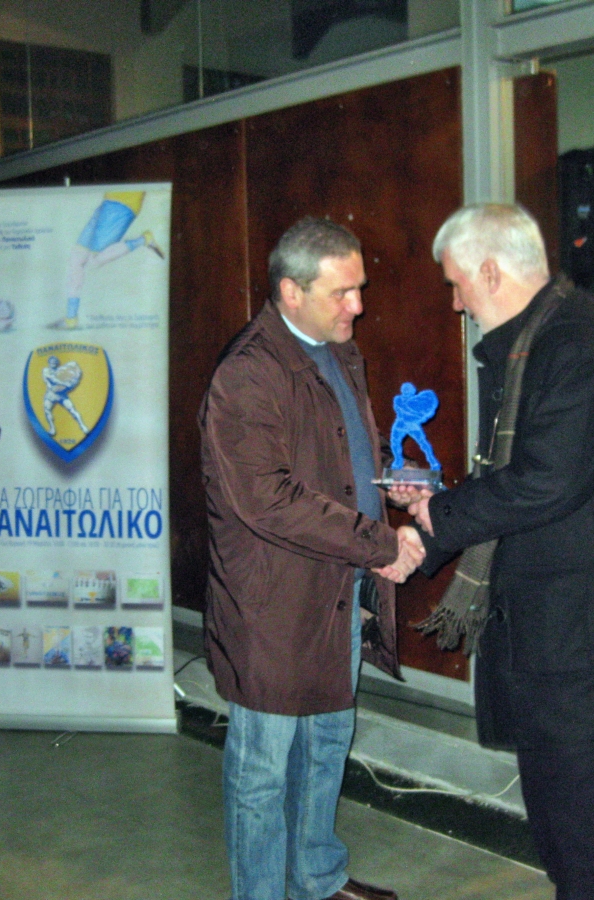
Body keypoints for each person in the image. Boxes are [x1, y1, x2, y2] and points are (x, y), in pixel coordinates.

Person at [405, 204, 594, 900]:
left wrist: (440, 517)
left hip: (582, 645)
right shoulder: (535, 346)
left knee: (587, 843)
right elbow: (523, 477)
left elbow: (544, 480)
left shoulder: (574, 349)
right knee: (559, 831)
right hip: (552, 641)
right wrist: (439, 513)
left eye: (458, 283)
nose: (456, 302)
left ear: (492, 271)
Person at [199, 217, 424, 900]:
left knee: (328, 742)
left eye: (359, 288)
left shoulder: (337, 350)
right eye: (342, 293)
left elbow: (339, 448)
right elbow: (268, 499)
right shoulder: (248, 374)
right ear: (291, 292)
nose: (358, 305)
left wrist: (388, 477)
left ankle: (316, 878)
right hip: (273, 608)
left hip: (335, 591)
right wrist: (382, 542)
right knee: (263, 770)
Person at [53, 190, 165, 329]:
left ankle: (143, 240)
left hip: (124, 205)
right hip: (108, 200)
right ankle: (71, 318)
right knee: (76, 257)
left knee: (92, 261)